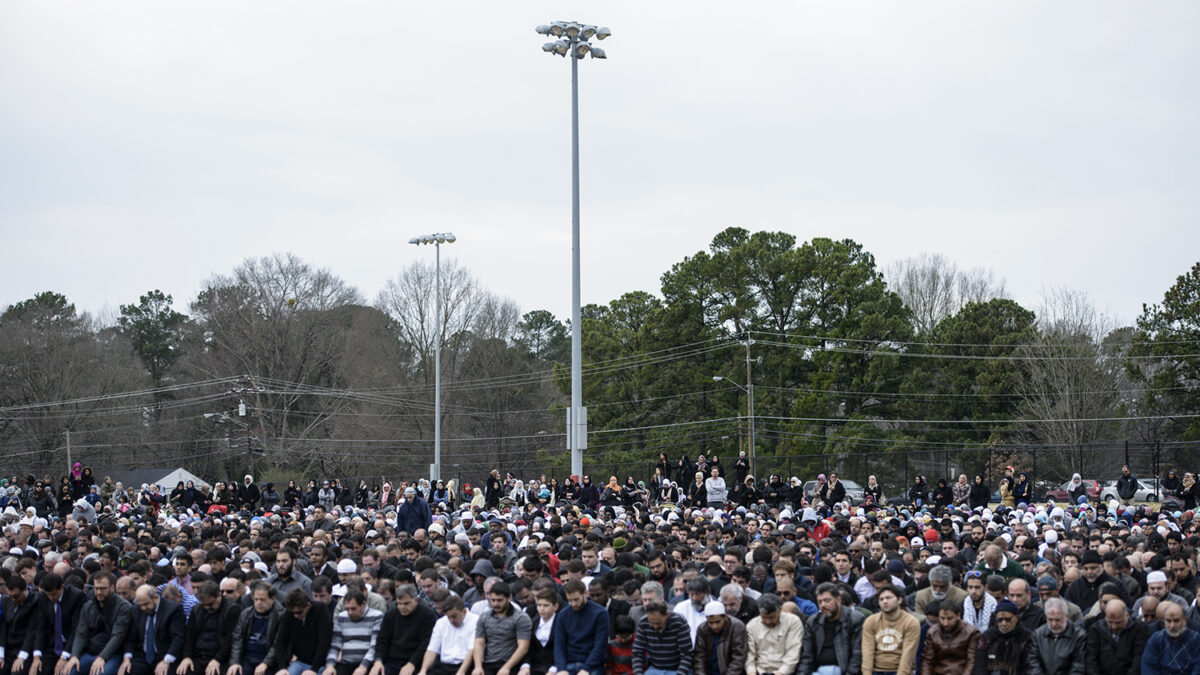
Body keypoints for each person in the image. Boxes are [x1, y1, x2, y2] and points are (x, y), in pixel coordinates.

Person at [62, 572, 132, 675]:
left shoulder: (123, 607)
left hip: (113, 654)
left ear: (112, 588)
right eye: (96, 588)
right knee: (70, 671)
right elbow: (81, 633)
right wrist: (74, 656)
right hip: (91, 651)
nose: (99, 592)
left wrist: (102, 657)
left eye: (102, 589)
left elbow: (118, 636)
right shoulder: (88, 607)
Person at [797, 583, 862, 675]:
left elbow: (857, 655)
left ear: (838, 600)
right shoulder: (813, 622)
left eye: (827, 600)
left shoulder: (854, 619)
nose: (823, 605)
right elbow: (807, 656)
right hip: (818, 671)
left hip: (843, 670)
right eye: (820, 602)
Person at [121, 584, 187, 675]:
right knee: (126, 671)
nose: (143, 608)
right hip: (142, 656)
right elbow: (131, 638)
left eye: (146, 604)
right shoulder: (136, 610)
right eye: (140, 605)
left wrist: (166, 661)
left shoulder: (173, 609)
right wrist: (126, 659)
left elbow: (178, 639)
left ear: (155, 597)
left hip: (165, 654)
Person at [30, 572, 87, 675]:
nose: (51, 598)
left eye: (54, 594)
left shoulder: (77, 597)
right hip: (53, 645)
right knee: (39, 670)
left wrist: (64, 656)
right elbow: (41, 628)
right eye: (48, 595)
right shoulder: (43, 597)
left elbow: (76, 630)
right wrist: (36, 656)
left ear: (62, 587)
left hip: (72, 645)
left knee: (64, 671)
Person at [371, 585, 436, 675]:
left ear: (416, 600)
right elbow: (383, 640)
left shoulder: (427, 615)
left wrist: (412, 663)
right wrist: (378, 660)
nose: (402, 607)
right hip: (391, 661)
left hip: (417, 661)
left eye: (406, 603)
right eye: (399, 603)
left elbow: (426, 643)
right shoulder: (391, 614)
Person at [178, 582, 240, 675]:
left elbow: (230, 639)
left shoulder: (232, 610)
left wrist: (217, 659)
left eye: (210, 604)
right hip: (198, 656)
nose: (207, 608)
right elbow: (189, 635)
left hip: (220, 657)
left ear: (219, 595)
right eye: (204, 604)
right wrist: (186, 657)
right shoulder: (197, 609)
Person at [472, 582, 531, 675]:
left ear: (509, 598)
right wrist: (478, 666)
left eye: (499, 600)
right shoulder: (484, 617)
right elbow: (479, 643)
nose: (495, 604)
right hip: (488, 663)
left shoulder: (521, 618)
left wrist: (507, 667)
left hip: (511, 663)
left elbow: (523, 647)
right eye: (493, 600)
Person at [552, 580, 608, 675]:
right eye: (570, 600)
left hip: (592, 664)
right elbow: (558, 645)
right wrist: (561, 668)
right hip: (569, 663)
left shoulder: (600, 613)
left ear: (585, 593)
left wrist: (587, 668)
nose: (573, 604)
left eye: (576, 599)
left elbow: (600, 645)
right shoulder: (563, 615)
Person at [322, 590, 384, 675]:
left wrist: (363, 666)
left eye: (353, 609)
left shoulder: (376, 616)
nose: (350, 612)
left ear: (363, 604)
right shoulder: (341, 617)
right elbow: (335, 645)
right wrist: (330, 665)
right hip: (345, 663)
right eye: (347, 609)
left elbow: (374, 645)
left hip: (368, 663)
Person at [860, 585, 918, 675]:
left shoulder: (911, 622)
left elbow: (908, 654)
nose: (885, 601)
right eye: (881, 599)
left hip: (899, 669)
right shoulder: (871, 621)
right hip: (877, 670)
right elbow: (867, 651)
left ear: (899, 600)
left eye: (888, 598)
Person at [274, 589, 333, 675]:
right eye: (293, 613)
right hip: (300, 661)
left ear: (308, 605)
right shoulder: (289, 614)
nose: (295, 616)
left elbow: (324, 642)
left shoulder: (320, 610)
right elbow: (281, 641)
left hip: (320, 664)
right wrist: (282, 667)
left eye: (299, 612)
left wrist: (314, 669)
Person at [227, 583, 283, 675]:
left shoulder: (280, 616)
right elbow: (237, 639)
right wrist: (235, 662)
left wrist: (265, 663)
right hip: (247, 657)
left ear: (272, 599)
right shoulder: (246, 613)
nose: (258, 603)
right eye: (256, 599)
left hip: (268, 659)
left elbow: (277, 644)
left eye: (262, 600)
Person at [1084, 598, 1150, 675]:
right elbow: (1091, 660)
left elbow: (1138, 659)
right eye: (1110, 622)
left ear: (1127, 615)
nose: (1114, 626)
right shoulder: (1096, 629)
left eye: (1118, 622)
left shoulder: (1140, 629)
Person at [416, 595, 477, 675]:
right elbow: (432, 650)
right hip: (444, 666)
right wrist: (423, 670)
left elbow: (472, 650)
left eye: (454, 616)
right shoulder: (441, 623)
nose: (451, 620)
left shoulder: (475, 621)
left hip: (467, 665)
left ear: (464, 611)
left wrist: (461, 672)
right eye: (448, 617)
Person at [1025, 598, 1084, 675]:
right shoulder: (1038, 635)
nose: (1054, 624)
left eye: (1057, 620)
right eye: (1050, 620)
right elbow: (1033, 663)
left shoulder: (1079, 636)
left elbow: (1078, 667)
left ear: (1066, 617)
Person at [630, 602, 691, 675]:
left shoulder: (679, 622)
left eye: (658, 623)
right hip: (655, 669)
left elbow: (687, 654)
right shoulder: (644, 622)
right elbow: (637, 653)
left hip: (676, 669)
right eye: (652, 623)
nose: (655, 627)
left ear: (666, 615)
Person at [919, 600, 977, 675]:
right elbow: (927, 661)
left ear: (958, 616)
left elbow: (971, 661)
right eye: (942, 618)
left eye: (949, 619)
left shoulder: (971, 632)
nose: (946, 623)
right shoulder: (932, 632)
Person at [1142, 602, 1200, 675]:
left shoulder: (1196, 640)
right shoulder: (1155, 640)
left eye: (1176, 621)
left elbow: (1198, 669)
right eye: (1168, 621)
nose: (1172, 625)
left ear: (1185, 620)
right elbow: (1149, 669)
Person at [692, 601, 746, 675]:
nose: (714, 626)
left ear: (725, 617)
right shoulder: (702, 629)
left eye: (717, 622)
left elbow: (738, 658)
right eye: (710, 623)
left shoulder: (737, 627)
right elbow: (699, 658)